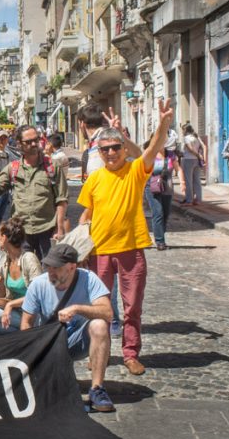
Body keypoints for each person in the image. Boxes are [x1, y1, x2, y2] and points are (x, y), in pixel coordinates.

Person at [78, 98, 175, 377]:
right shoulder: (95, 178)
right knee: (100, 308)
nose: (110, 153)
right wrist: (77, 242)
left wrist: (164, 123)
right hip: (100, 252)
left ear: (123, 149)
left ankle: (131, 354)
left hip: (131, 250)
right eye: (105, 148)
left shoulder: (135, 172)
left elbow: (154, 148)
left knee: (132, 307)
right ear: (99, 150)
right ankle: (100, 352)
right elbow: (87, 213)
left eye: (115, 148)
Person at [20, 243, 115, 411]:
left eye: (56, 267)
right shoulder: (38, 284)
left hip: (77, 340)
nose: (50, 270)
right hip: (49, 344)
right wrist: (32, 356)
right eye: (48, 265)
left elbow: (108, 313)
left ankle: (97, 390)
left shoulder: (89, 279)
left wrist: (78, 308)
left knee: (100, 325)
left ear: (72, 267)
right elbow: (26, 323)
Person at [0, 124, 68, 259]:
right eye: (29, 142)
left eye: (36, 139)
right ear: (19, 144)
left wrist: (59, 228)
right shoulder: (13, 168)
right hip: (21, 232)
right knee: (24, 271)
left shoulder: (52, 166)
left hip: (47, 229)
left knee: (49, 271)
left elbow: (62, 199)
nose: (34, 144)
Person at [0, 217, 42, 334]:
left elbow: (36, 295)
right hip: (17, 312)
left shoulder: (28, 259)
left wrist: (10, 305)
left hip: (33, 314)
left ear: (4, 238)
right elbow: (3, 290)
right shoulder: (6, 262)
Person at [146, 141, 178, 251]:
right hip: (152, 187)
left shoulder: (171, 155)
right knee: (158, 213)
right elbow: (143, 170)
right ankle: (160, 241)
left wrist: (183, 182)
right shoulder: (149, 155)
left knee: (165, 214)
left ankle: (160, 233)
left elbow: (178, 169)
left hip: (167, 187)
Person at [180, 124, 206, 205]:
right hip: (196, 161)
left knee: (188, 181)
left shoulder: (186, 138)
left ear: (185, 130)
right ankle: (198, 199)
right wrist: (203, 158)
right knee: (197, 180)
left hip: (188, 160)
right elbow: (204, 146)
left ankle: (189, 200)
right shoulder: (196, 137)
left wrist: (198, 155)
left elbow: (190, 148)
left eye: (183, 130)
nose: (182, 132)